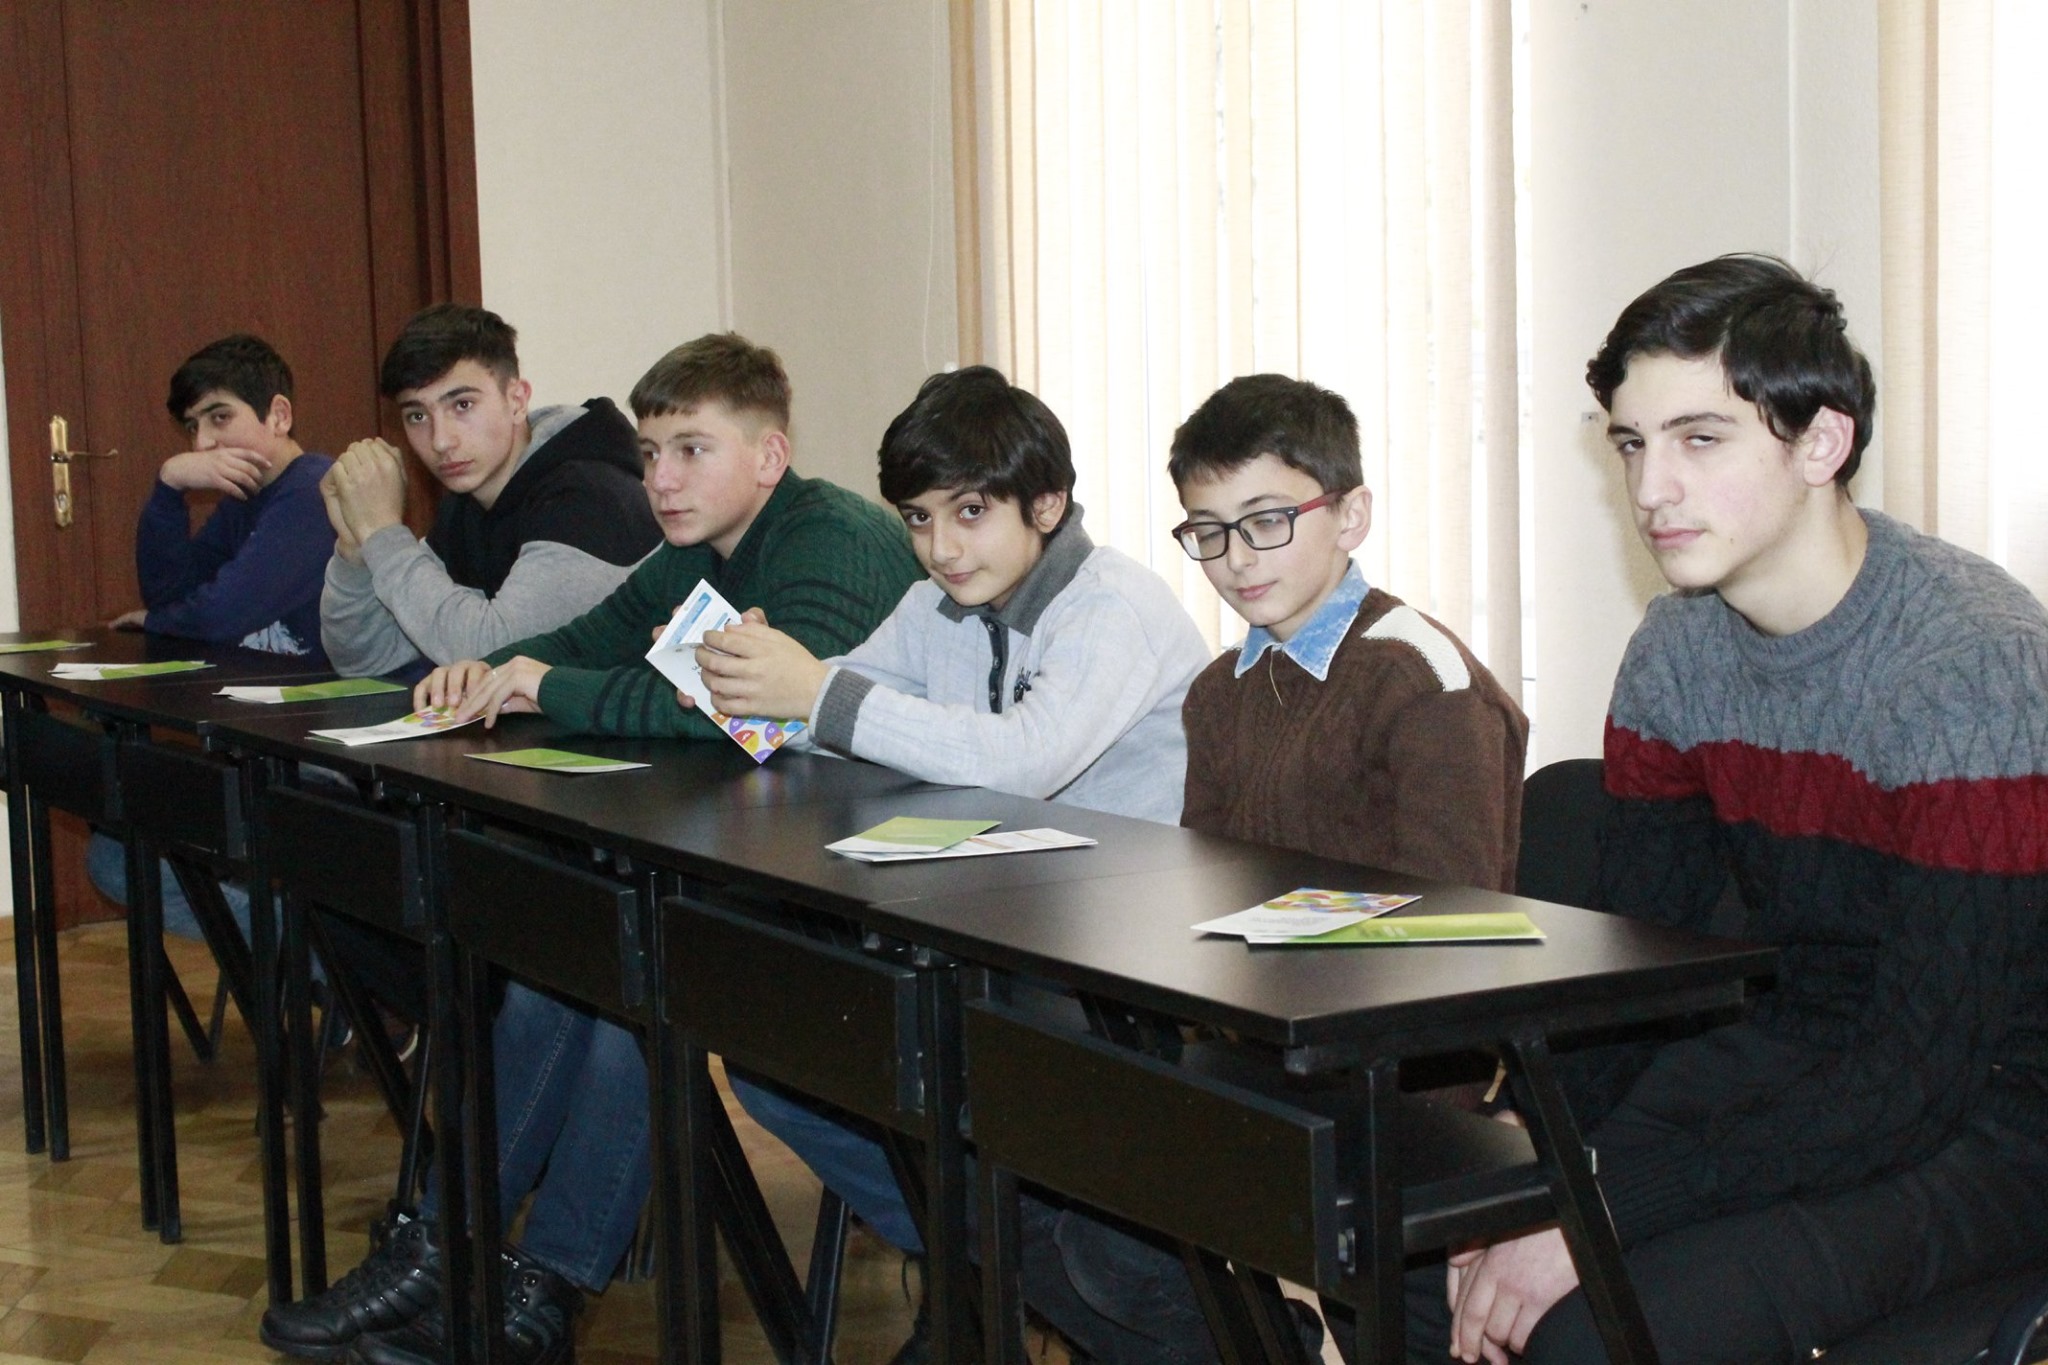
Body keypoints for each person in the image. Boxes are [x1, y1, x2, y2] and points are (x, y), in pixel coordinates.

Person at [1420, 255, 2048, 1365]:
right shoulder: (1676, 650)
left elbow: (1919, 1074)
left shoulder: (1969, 667)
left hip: (1993, 1111)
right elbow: (1638, 971)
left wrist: (1598, 1211)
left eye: (1698, 439)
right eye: (1630, 444)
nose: (1650, 489)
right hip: (1797, 1055)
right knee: (1424, 1259)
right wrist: (1542, 1142)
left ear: (1820, 443)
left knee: (1591, 1330)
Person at [262, 333, 924, 1365]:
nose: (662, 480)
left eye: (691, 450)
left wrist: (546, 686)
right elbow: (598, 641)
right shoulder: (697, 550)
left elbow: (743, 715)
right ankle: (459, 1256)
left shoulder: (826, 536)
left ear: (769, 455)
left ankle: (519, 1284)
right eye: (651, 453)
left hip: (876, 894)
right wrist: (497, 668)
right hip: (765, 859)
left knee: (625, 979)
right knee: (575, 963)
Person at [697, 364, 1211, 1360]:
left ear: (1046, 505)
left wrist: (815, 696)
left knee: (942, 1068)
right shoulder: (937, 604)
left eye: (969, 512)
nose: (940, 547)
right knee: (778, 1062)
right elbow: (842, 708)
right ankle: (980, 1266)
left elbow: (1022, 761)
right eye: (919, 519)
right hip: (991, 927)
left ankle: (1016, 1280)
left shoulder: (1113, 607)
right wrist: (746, 680)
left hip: (1121, 957)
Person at [1028, 373, 1530, 1365]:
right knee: (1051, 1195)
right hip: (1263, 1051)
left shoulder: (1420, 680)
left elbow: (1454, 926)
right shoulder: (1220, 692)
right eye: (1207, 531)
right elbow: (1206, 883)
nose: (1235, 558)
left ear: (1350, 515)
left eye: (1265, 522)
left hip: (1399, 1081)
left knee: (1117, 1242)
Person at [88, 334, 335, 960]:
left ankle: (346, 973)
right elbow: (172, 594)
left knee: (122, 856)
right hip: (256, 742)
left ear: (279, 415)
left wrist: (167, 618)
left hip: (325, 757)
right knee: (116, 855)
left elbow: (217, 615)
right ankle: (327, 972)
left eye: (220, 417)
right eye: (192, 427)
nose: (202, 444)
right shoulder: (244, 502)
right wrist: (168, 488)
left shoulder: (314, 491)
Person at [318, 303, 661, 679]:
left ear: (516, 401)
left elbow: (499, 655)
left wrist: (384, 534)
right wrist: (356, 547)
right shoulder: (467, 505)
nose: (441, 440)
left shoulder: (589, 497)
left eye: (462, 405)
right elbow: (364, 658)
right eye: (417, 416)